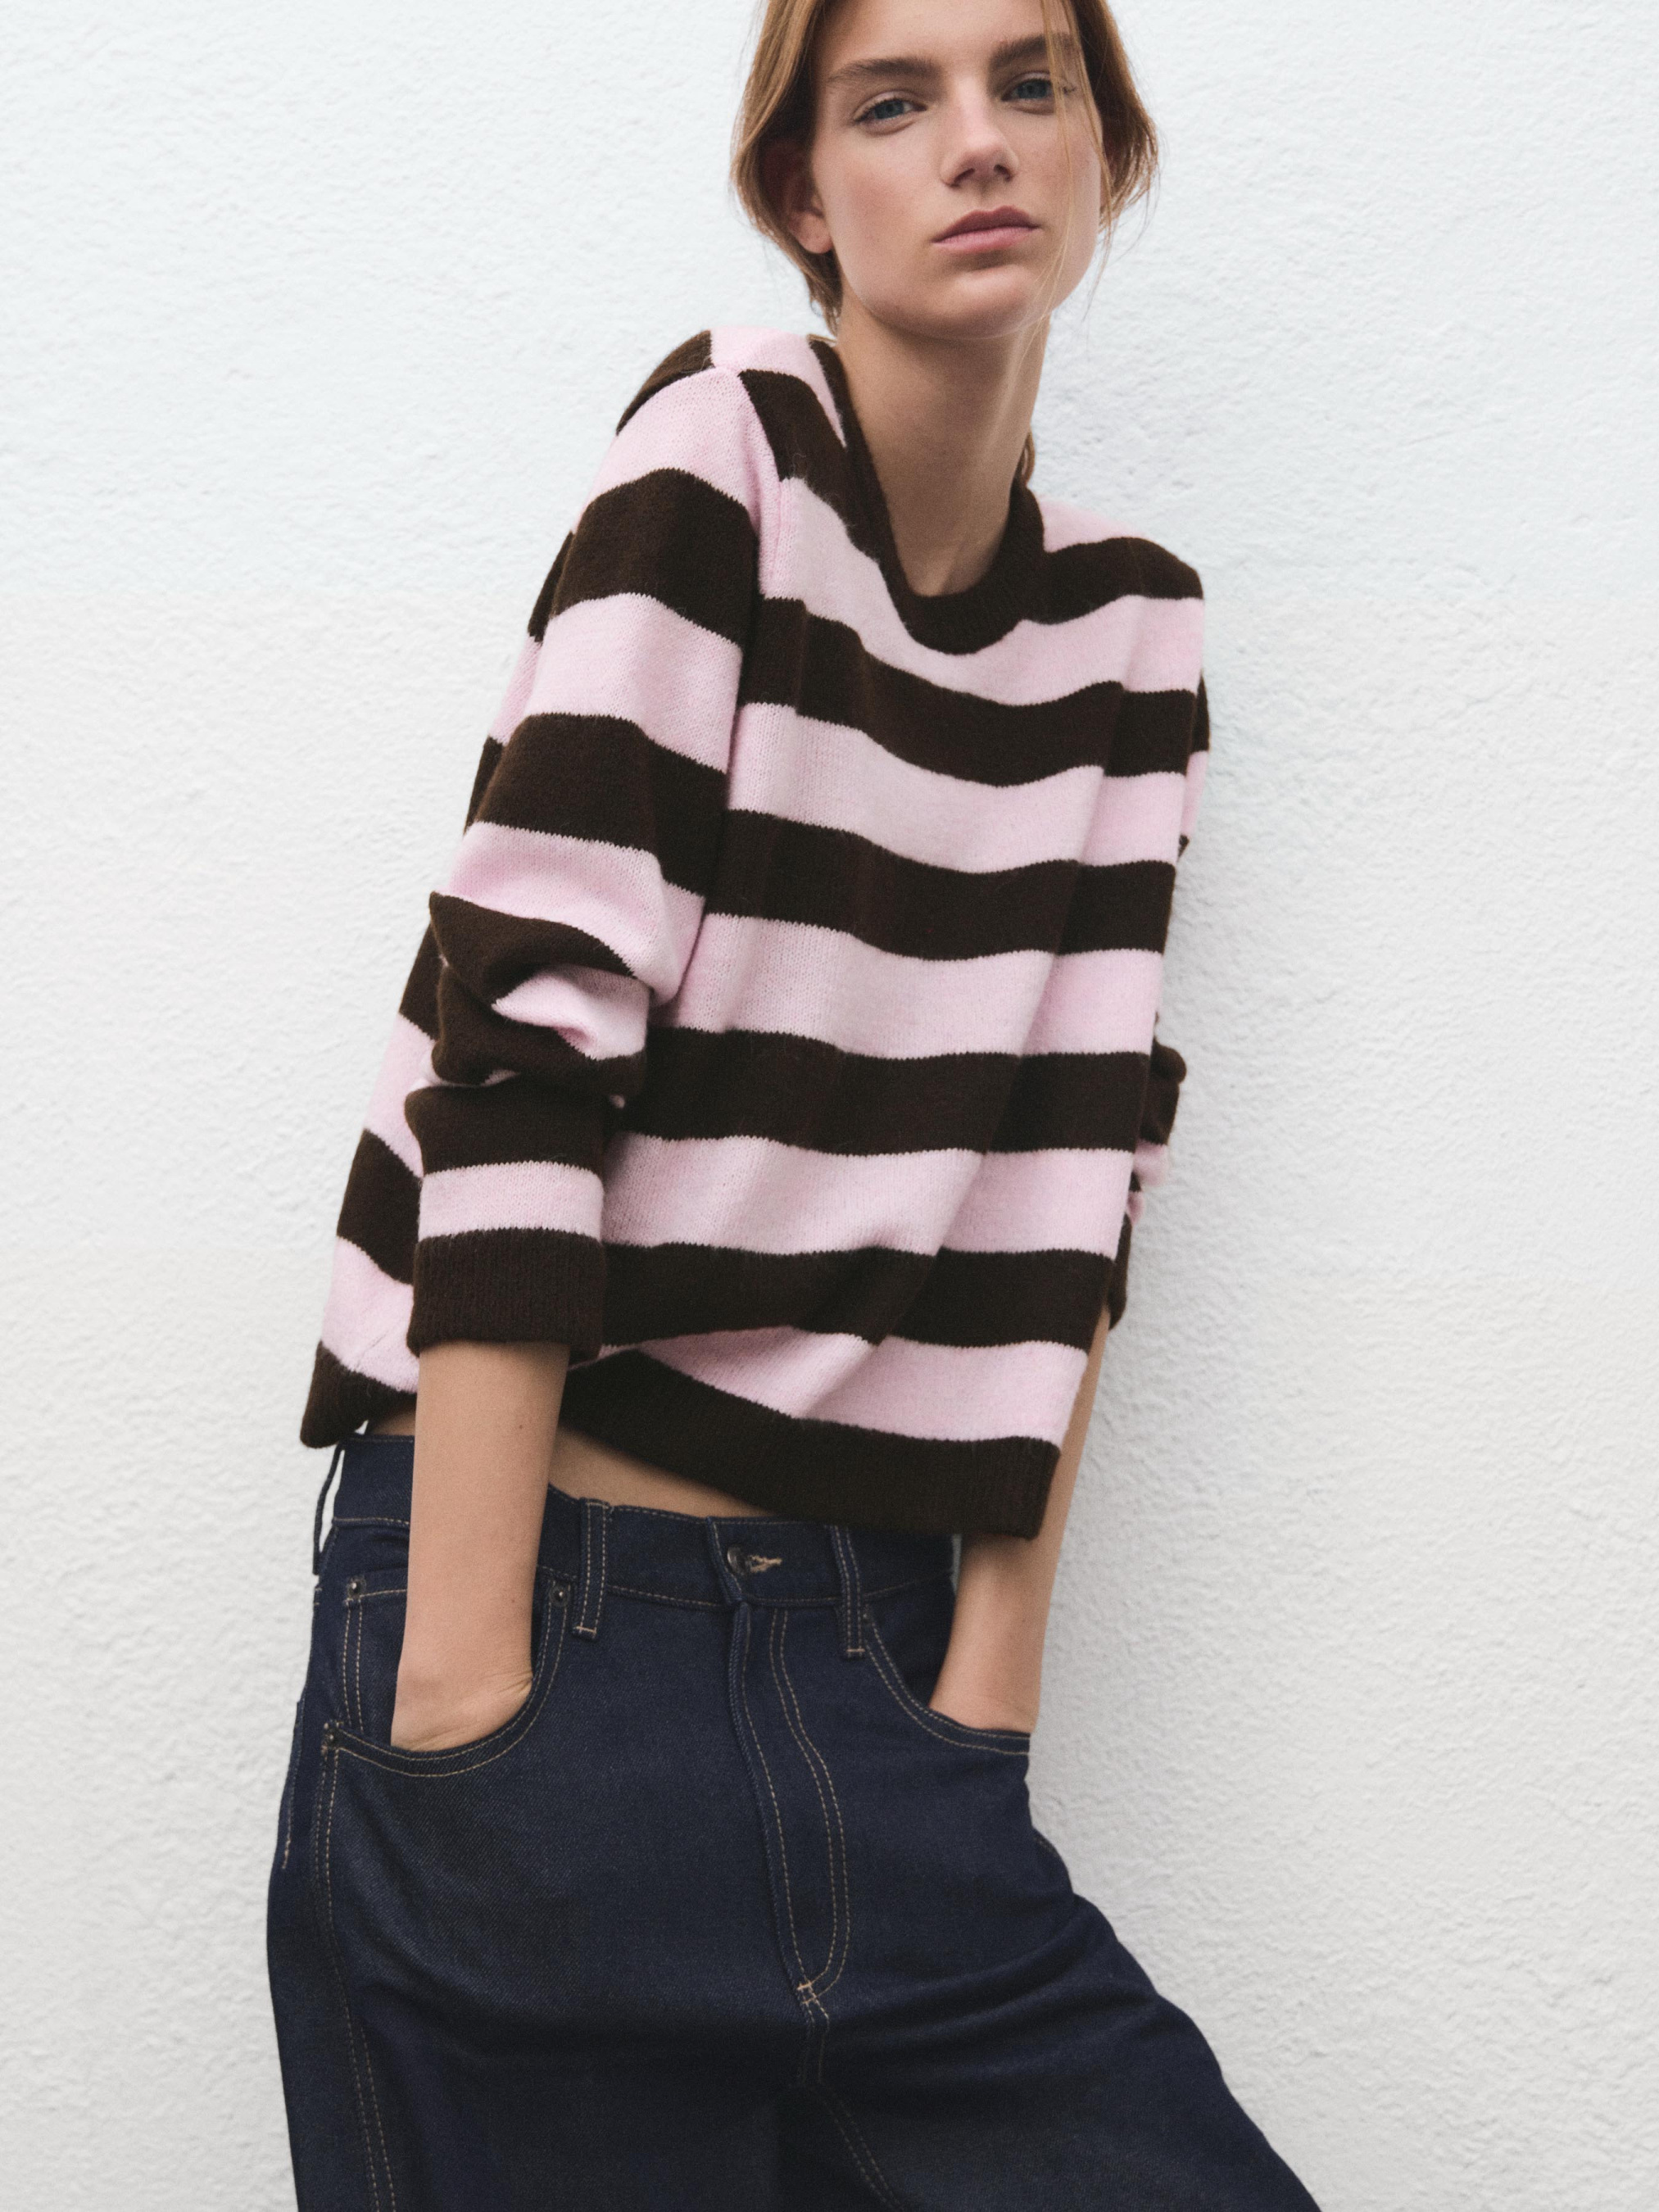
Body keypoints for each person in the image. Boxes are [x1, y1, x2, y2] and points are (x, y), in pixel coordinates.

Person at [267, 0, 1321, 2204]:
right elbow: (528, 1029)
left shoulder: (1132, 630)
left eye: (1032, 83)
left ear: (1107, 147)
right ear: (798, 197)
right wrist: (464, 1693)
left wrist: (985, 1697)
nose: (977, 143)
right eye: (891, 102)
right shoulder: (723, 453)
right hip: (541, 1622)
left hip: (879, 1673)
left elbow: (1078, 1173)